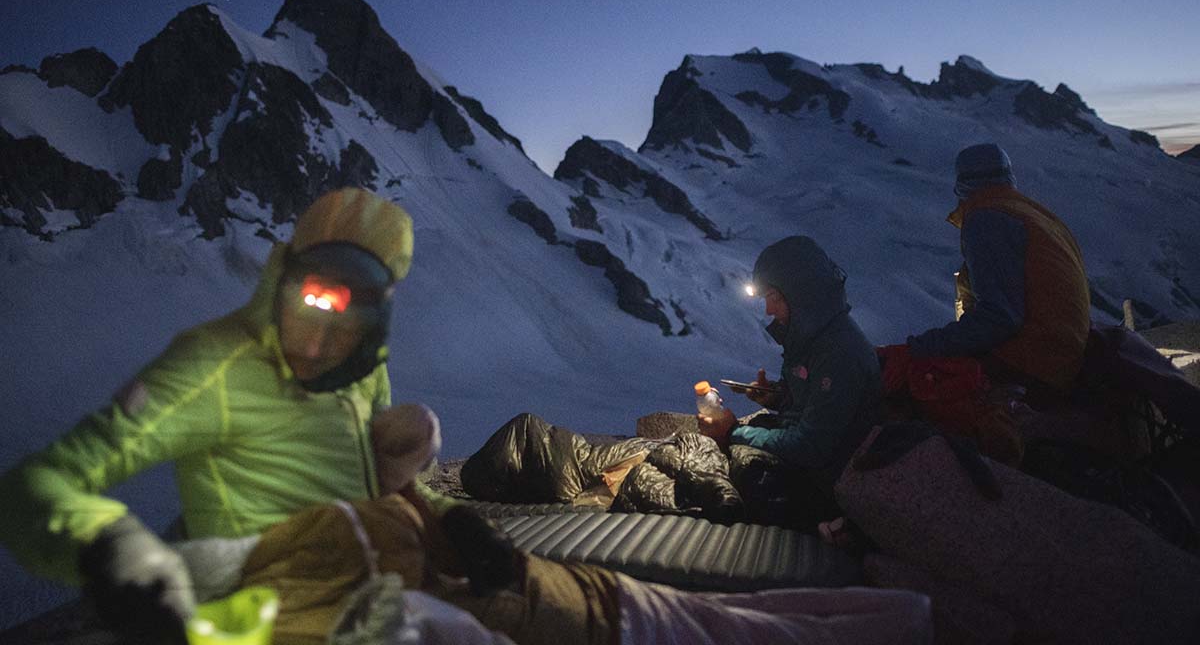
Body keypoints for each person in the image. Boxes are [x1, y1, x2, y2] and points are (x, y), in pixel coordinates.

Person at [0, 187, 440, 643]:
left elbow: (366, 483)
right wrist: (106, 548)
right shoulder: (214, 365)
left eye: (344, 328)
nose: (312, 349)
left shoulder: (364, 374)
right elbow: (33, 485)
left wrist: (445, 520)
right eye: (304, 310)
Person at [179, 404, 932, 645]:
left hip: (602, 598)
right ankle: (914, 616)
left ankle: (913, 613)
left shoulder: (392, 549)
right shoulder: (391, 606)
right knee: (775, 627)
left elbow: (405, 456)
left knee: (769, 618)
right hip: (615, 622)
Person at [698, 236, 882, 526]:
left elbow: (811, 446)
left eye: (775, 298)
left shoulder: (839, 353)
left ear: (802, 296)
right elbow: (815, 407)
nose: (769, 311)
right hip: (815, 467)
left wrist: (734, 431)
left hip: (830, 484)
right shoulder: (813, 338)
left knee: (732, 476)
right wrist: (777, 397)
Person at [903, 143, 1090, 397]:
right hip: (1066, 356)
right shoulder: (1033, 214)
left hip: (1034, 363)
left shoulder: (986, 219)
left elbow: (999, 317)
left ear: (961, 185)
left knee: (922, 388)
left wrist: (922, 347)